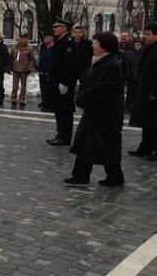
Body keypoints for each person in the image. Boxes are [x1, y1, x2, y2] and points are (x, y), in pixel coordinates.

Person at [65, 32, 125, 186]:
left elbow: (101, 88)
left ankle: (115, 177)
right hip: (95, 112)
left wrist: (82, 97)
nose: (93, 46)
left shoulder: (111, 64)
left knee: (105, 145)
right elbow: (86, 80)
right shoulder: (98, 61)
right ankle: (81, 175)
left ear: (105, 46)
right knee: (87, 143)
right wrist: (81, 91)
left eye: (96, 43)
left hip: (106, 114)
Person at [47, 17, 78, 146]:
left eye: (57, 27)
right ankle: (60, 134)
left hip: (64, 82)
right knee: (59, 110)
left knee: (65, 110)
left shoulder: (68, 42)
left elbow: (69, 65)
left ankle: (65, 137)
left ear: (64, 28)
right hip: (57, 81)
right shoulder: (60, 41)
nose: (54, 29)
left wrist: (65, 82)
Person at [128, 23, 157, 159]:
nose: (146, 37)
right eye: (145, 34)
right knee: (147, 122)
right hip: (145, 89)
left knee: (154, 123)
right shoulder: (149, 47)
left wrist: (154, 92)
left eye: (149, 34)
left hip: (153, 93)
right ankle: (145, 147)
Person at [10, 33, 35, 108]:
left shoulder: (29, 48)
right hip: (15, 69)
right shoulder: (14, 48)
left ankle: (22, 99)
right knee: (15, 85)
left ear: (27, 39)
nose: (23, 40)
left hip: (24, 70)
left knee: (23, 86)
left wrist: (29, 68)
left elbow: (32, 60)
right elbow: (10, 58)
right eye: (21, 38)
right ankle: (13, 98)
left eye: (24, 38)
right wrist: (9, 67)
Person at [123, 39, 143, 113]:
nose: (137, 46)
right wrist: (127, 75)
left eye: (139, 44)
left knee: (138, 93)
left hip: (139, 77)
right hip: (131, 77)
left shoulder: (143, 54)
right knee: (130, 93)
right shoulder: (130, 54)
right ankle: (128, 106)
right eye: (135, 44)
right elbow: (127, 65)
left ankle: (136, 106)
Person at [37, 32, 55, 111]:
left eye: (47, 37)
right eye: (44, 37)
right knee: (43, 87)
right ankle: (44, 101)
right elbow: (40, 57)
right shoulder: (42, 46)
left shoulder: (55, 47)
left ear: (51, 38)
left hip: (50, 71)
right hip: (42, 70)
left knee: (49, 88)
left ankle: (49, 104)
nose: (45, 39)